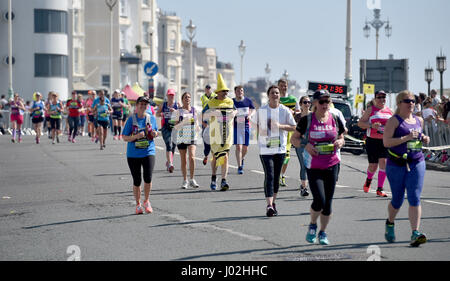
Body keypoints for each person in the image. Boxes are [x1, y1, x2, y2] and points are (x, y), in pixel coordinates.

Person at [291, 89, 346, 245]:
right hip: (314, 165)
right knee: (319, 200)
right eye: (321, 101)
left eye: (327, 101)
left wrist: (340, 142)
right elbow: (294, 139)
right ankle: (313, 224)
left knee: (328, 204)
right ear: (315, 103)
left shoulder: (334, 118)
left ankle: (322, 232)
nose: (325, 104)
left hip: (332, 163)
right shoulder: (307, 120)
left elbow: (342, 136)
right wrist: (305, 144)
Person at [383, 90, 430, 247]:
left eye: (413, 100)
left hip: (417, 162)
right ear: (399, 103)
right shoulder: (394, 121)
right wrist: (406, 138)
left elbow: (421, 137)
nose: (411, 103)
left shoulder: (419, 120)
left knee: (414, 197)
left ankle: (415, 232)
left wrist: (424, 138)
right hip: (396, 164)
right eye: (407, 100)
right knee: (397, 199)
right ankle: (390, 222)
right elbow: (386, 142)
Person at [251, 85, 296, 217]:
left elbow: (294, 127)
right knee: (269, 175)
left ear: (279, 95)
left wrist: (280, 126)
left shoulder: (285, 110)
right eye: (272, 93)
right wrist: (260, 129)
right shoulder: (263, 110)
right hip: (266, 149)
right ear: (268, 95)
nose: (275, 95)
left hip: (280, 148)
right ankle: (269, 205)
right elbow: (252, 122)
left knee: (276, 178)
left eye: (277, 93)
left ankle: (273, 202)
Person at [122, 96, 158, 215]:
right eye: (141, 104)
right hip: (133, 154)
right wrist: (136, 137)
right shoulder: (131, 119)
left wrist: (154, 133)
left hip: (148, 151)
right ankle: (138, 204)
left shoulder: (151, 118)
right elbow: (124, 137)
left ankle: (146, 201)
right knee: (137, 180)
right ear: (136, 106)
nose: (143, 106)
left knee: (148, 178)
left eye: (145, 104)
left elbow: (156, 132)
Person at [202, 74, 237, 191]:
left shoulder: (230, 101)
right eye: (223, 91)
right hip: (215, 133)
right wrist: (213, 113)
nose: (226, 93)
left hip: (227, 133)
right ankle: (213, 177)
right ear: (218, 92)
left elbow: (235, 111)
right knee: (216, 157)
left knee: (226, 156)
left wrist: (233, 114)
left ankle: (224, 181)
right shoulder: (211, 103)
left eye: (227, 91)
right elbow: (203, 115)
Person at [357, 90, 393, 197]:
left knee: (384, 163)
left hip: (385, 141)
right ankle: (368, 180)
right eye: (379, 97)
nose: (382, 99)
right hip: (372, 140)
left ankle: (380, 189)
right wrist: (371, 126)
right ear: (375, 98)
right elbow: (360, 123)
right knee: (373, 165)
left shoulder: (390, 111)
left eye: (384, 97)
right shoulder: (371, 110)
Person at [173, 92, 200, 189]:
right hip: (182, 135)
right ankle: (185, 180)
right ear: (182, 99)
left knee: (192, 157)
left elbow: (196, 122)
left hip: (192, 135)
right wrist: (183, 123)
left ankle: (192, 179)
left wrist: (197, 127)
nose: (187, 99)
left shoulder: (194, 110)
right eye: (185, 97)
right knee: (183, 159)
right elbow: (175, 126)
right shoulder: (178, 112)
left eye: (189, 97)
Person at [278, 79, 300, 187]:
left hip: (289, 131)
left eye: (285, 86)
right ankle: (276, 175)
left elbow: (299, 112)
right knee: (276, 154)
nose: (283, 87)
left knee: (286, 156)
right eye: (281, 86)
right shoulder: (275, 99)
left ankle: (281, 175)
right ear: (278, 86)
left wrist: (294, 112)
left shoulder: (292, 99)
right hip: (277, 131)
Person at [232, 85, 255, 174]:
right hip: (236, 126)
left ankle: (242, 158)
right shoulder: (232, 102)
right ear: (235, 92)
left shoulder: (248, 101)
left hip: (245, 126)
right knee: (238, 146)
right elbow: (229, 111)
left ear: (243, 92)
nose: (240, 92)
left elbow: (253, 109)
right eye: (238, 91)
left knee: (245, 148)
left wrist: (250, 115)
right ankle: (239, 166)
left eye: (241, 90)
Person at [156, 89, 178, 173]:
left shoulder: (177, 104)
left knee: (173, 146)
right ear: (167, 96)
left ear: (174, 96)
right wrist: (161, 114)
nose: (171, 97)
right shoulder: (163, 105)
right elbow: (156, 114)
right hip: (166, 127)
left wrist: (175, 111)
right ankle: (170, 164)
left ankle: (169, 161)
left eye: (172, 95)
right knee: (169, 144)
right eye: (169, 95)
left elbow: (182, 114)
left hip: (175, 127)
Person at [294, 96, 312, 197]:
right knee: (304, 165)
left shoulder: (313, 116)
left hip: (311, 144)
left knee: (311, 165)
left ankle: (308, 185)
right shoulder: (297, 116)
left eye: (309, 102)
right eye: (305, 102)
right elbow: (294, 129)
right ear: (301, 104)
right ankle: (304, 187)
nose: (307, 104)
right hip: (300, 144)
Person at [200, 84, 217, 166]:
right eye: (207, 88)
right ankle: (206, 155)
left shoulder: (215, 96)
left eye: (209, 88)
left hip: (214, 120)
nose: (208, 89)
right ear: (205, 89)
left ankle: (214, 157)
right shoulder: (203, 97)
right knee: (206, 141)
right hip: (205, 119)